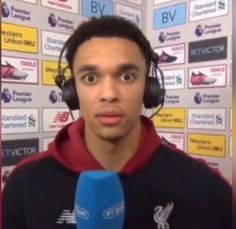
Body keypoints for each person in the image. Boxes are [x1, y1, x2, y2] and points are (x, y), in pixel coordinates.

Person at [3, 15, 231, 229]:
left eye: (127, 76)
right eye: (90, 78)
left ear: (149, 88)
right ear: (71, 91)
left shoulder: (205, 186)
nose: (109, 93)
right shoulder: (24, 184)